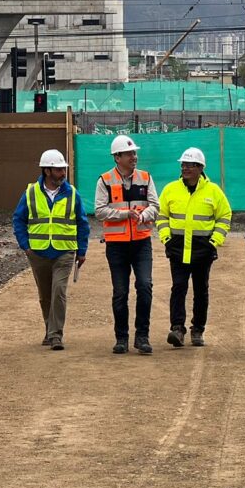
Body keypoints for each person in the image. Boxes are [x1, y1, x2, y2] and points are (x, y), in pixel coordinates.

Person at [12, 149, 90, 350]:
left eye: (63, 169)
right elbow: (18, 219)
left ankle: (56, 335)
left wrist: (82, 250)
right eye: (58, 170)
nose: (63, 173)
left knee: (58, 292)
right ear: (47, 171)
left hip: (64, 252)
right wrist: (26, 246)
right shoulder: (31, 193)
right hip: (38, 253)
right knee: (45, 295)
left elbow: (82, 223)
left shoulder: (72, 193)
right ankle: (49, 329)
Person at [156, 147, 232, 348]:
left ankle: (198, 330)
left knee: (201, 290)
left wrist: (214, 242)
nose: (185, 168)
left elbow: (224, 217)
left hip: (202, 251)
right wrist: (166, 239)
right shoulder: (170, 190)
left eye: (190, 165)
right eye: (183, 164)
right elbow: (162, 215)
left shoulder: (213, 191)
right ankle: (177, 329)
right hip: (178, 249)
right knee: (178, 288)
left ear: (200, 168)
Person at [94, 134, 160, 355]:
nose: (134, 157)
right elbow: (100, 210)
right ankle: (121, 338)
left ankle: (142, 336)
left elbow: (155, 205)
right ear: (117, 157)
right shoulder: (104, 180)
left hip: (142, 243)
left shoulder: (146, 177)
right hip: (116, 245)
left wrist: (143, 216)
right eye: (129, 153)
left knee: (145, 286)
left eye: (134, 153)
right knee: (120, 292)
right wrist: (124, 214)